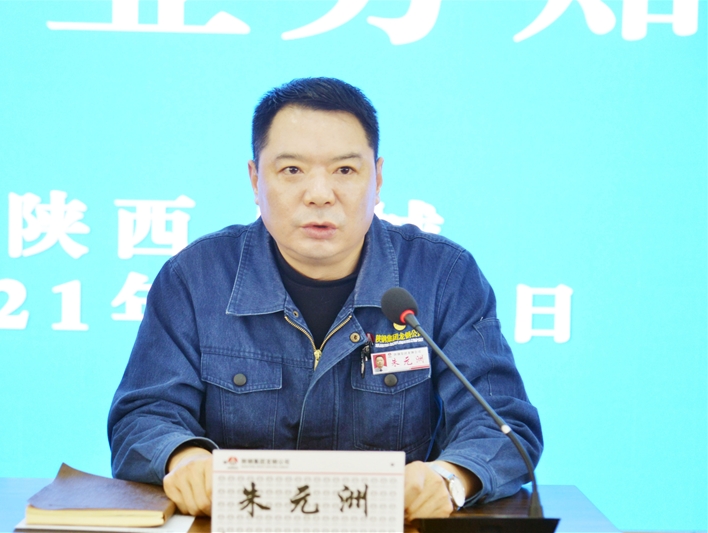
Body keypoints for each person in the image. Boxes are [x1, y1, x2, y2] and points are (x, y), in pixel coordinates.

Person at [108, 77, 543, 521]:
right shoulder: (195, 277)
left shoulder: (443, 276)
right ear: (255, 179)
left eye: (345, 171)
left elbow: (503, 423)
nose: (319, 194)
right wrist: (183, 459)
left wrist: (451, 478)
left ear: (378, 178)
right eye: (292, 170)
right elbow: (143, 415)